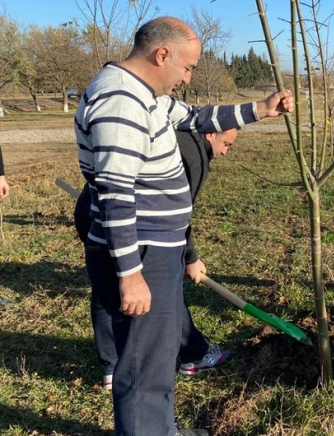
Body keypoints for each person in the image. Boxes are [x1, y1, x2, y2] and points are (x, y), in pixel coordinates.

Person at [74, 16, 292, 436]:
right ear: (162, 55)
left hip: (156, 250)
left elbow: (196, 117)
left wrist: (261, 110)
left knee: (155, 360)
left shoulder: (146, 94)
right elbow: (116, 194)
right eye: (188, 67)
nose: (188, 78)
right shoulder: (120, 101)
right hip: (139, 253)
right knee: (142, 367)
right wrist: (132, 275)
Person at [75, 127, 253, 389]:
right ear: (209, 134)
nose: (225, 152)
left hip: (95, 213)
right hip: (125, 221)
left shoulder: (172, 135)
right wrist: (190, 258)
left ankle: (114, 369)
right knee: (161, 289)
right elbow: (176, 215)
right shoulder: (189, 156)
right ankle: (192, 355)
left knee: (107, 292)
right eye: (226, 144)